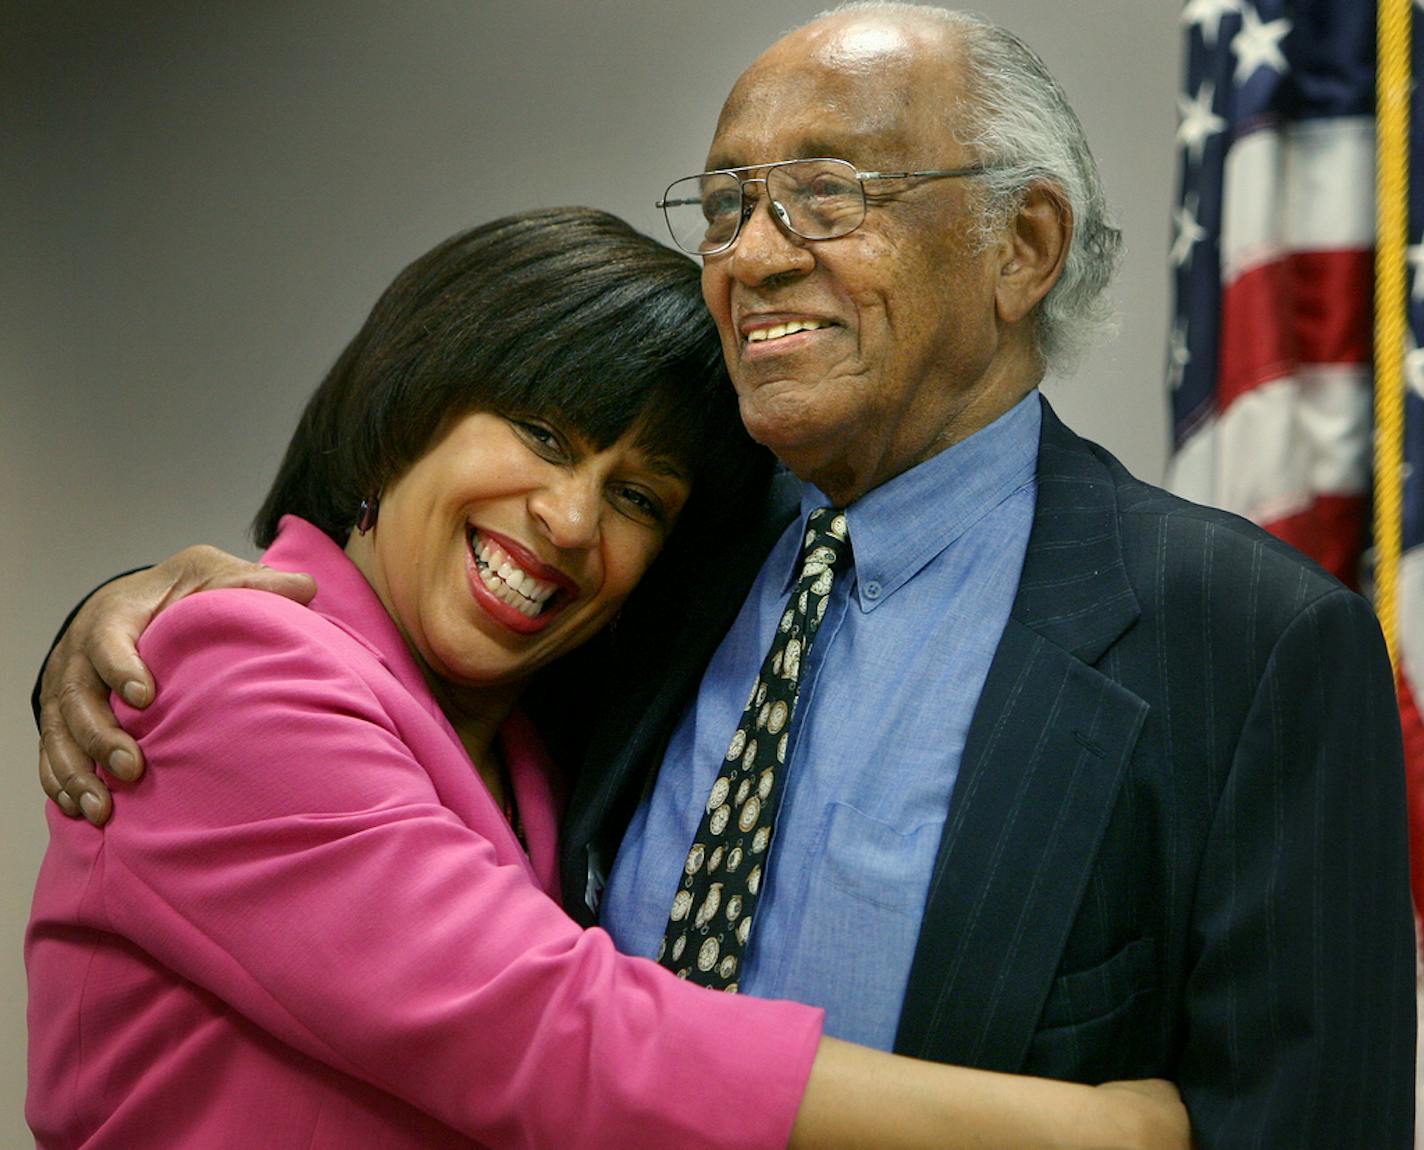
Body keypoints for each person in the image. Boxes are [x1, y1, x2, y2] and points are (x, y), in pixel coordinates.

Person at [33, 4, 1415, 1146]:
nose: (751, 255)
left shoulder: (1251, 644)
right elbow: (514, 986)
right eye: (730, 205)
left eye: (824, 196)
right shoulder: (664, 575)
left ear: (1023, 247)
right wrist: (115, 620)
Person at [26, 205, 1189, 1149]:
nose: (571, 518)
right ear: (399, 413)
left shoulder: (541, 746)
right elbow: (546, 1029)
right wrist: (1083, 1129)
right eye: (540, 432)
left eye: (638, 497)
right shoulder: (229, 660)